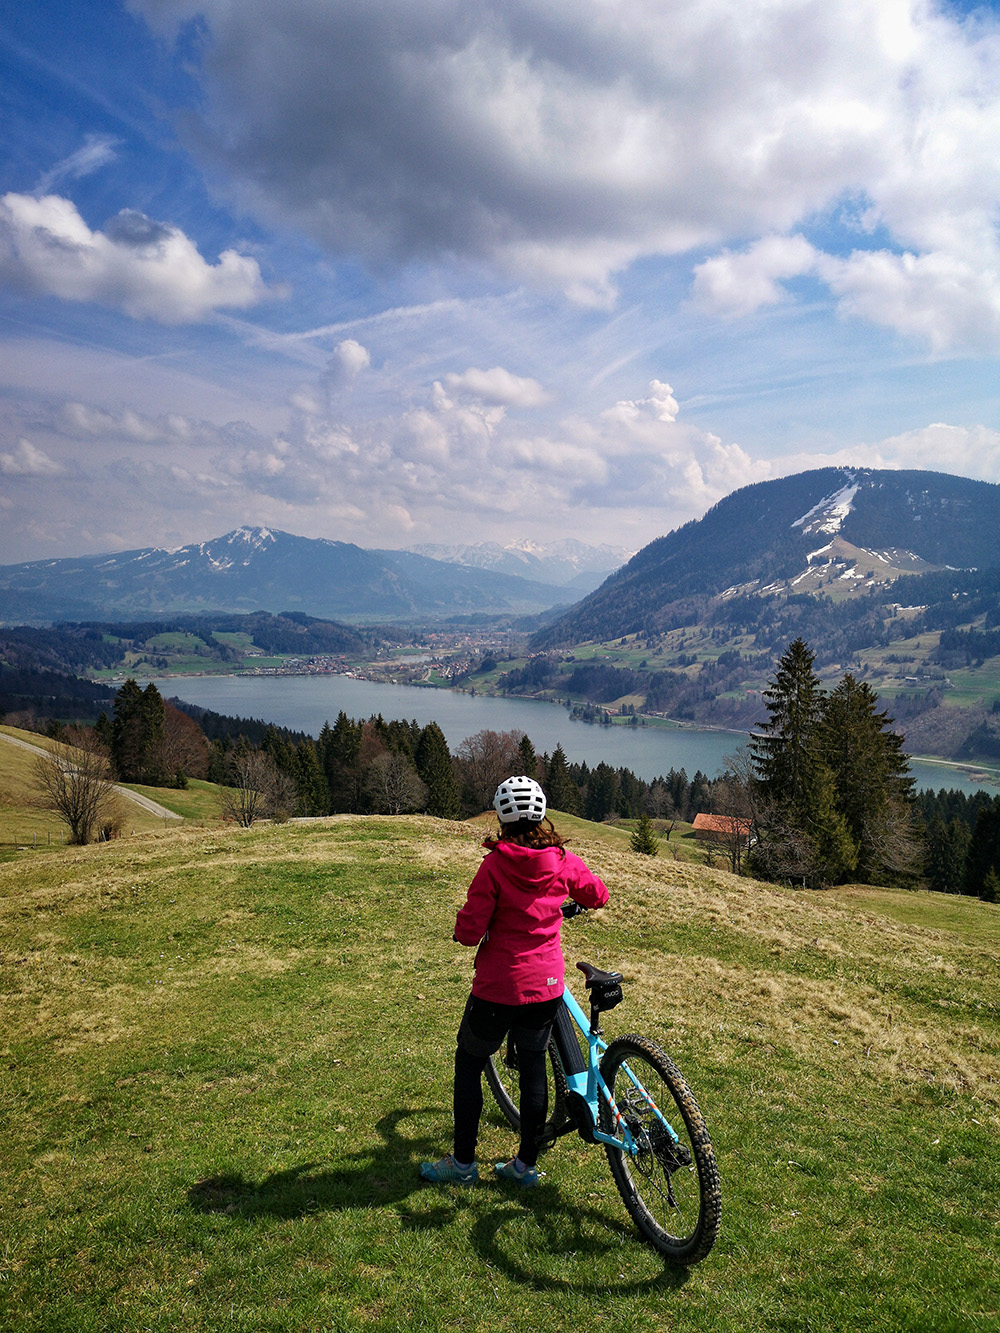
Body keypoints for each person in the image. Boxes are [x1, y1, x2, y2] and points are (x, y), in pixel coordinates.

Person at [419, 774, 609, 1188]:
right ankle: (524, 1166)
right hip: (546, 987)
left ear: (502, 820)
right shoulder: (563, 861)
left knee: (469, 1062)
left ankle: (464, 1164)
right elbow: (598, 895)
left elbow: (470, 932)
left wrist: (462, 931)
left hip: (497, 988)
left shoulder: (494, 866)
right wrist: (565, 903)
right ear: (542, 816)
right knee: (534, 1068)